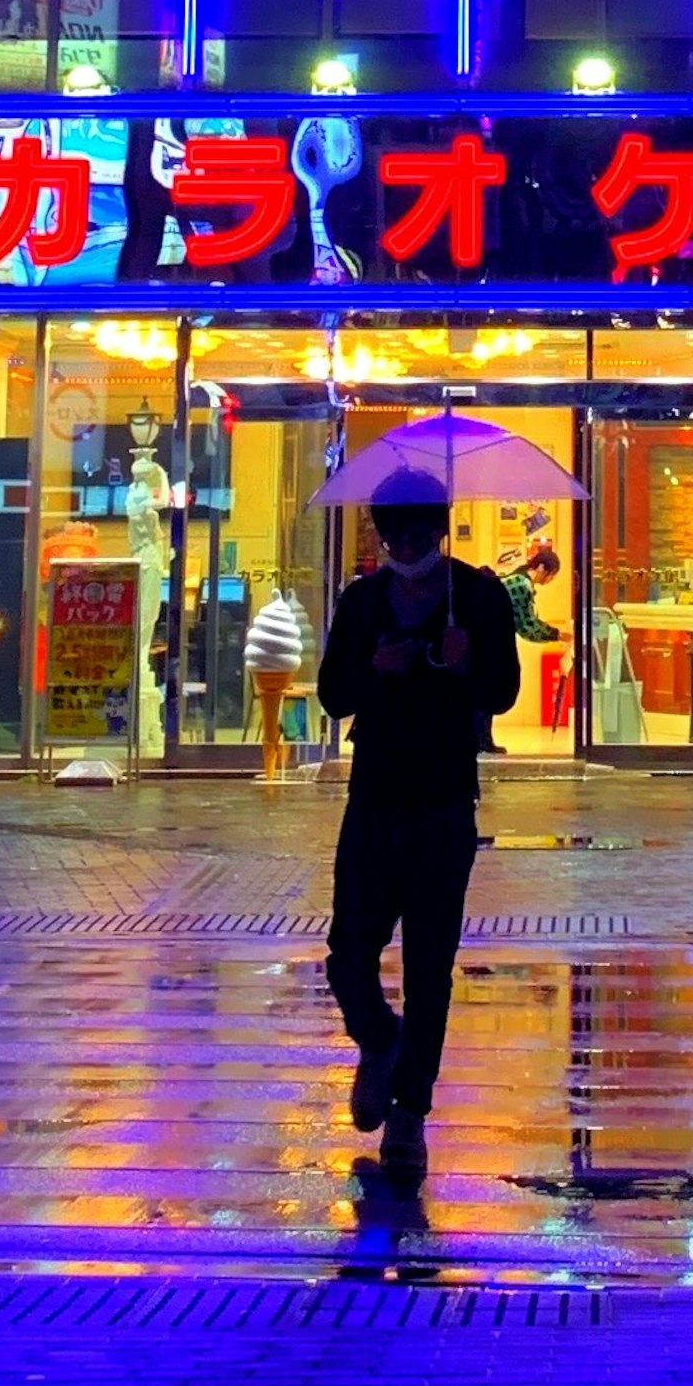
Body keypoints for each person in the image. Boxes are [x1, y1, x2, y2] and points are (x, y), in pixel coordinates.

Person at [316, 480, 522, 1184]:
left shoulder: (479, 598)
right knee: (348, 955)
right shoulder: (363, 602)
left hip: (442, 800)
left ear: (439, 530)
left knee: (429, 966)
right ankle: (379, 1040)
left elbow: (501, 692)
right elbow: (333, 694)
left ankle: (409, 1115)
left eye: (416, 534)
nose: (404, 548)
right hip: (373, 795)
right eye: (391, 536)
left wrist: (467, 667)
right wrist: (373, 670)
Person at [245, 574, 313, 782]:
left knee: (277, 719)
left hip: (270, 667)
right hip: (282, 667)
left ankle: (273, 767)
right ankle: (273, 767)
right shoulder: (285, 627)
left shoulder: (269, 627)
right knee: (279, 718)